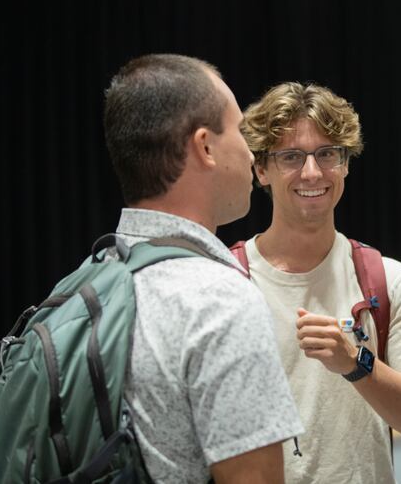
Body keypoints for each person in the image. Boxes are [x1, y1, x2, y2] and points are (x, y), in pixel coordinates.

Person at [239, 82, 401, 484]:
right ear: (261, 169)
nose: (312, 172)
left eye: (327, 154)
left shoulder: (389, 280)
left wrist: (357, 364)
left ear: (345, 164)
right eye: (291, 156)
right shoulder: (225, 281)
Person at [103, 54, 303, 483]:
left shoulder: (89, 282)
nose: (251, 153)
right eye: (239, 132)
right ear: (205, 146)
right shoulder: (219, 300)